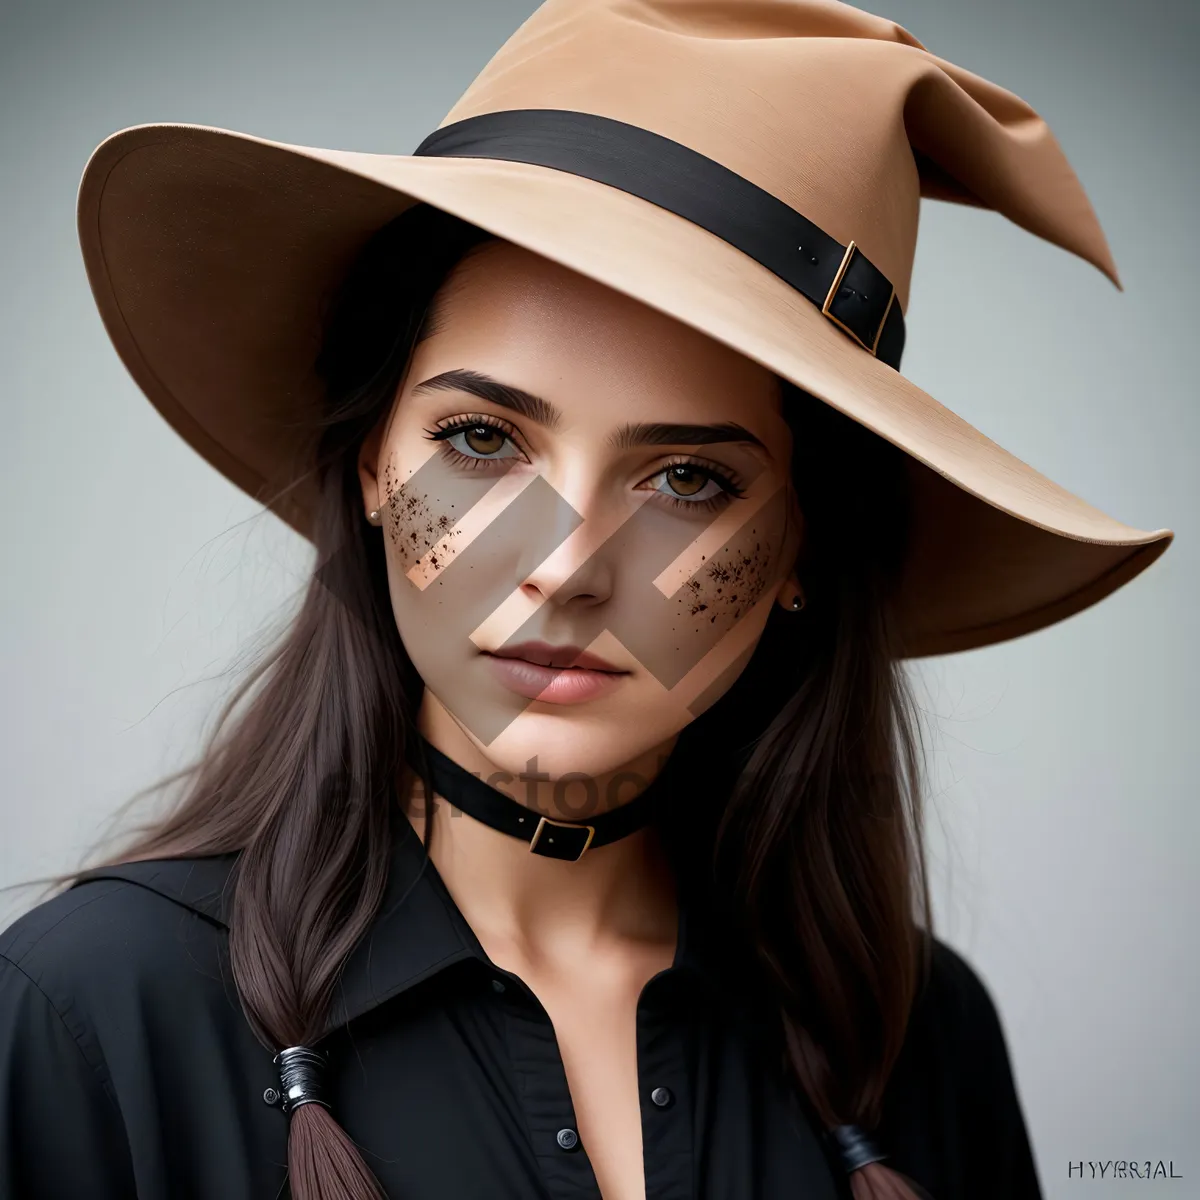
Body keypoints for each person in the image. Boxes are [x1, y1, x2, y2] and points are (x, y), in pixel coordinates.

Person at [0, 2, 1172, 1199]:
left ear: (803, 549)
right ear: (369, 464)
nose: (565, 564)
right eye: (481, 438)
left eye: (687, 479)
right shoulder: (92, 1012)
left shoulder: (915, 1043)